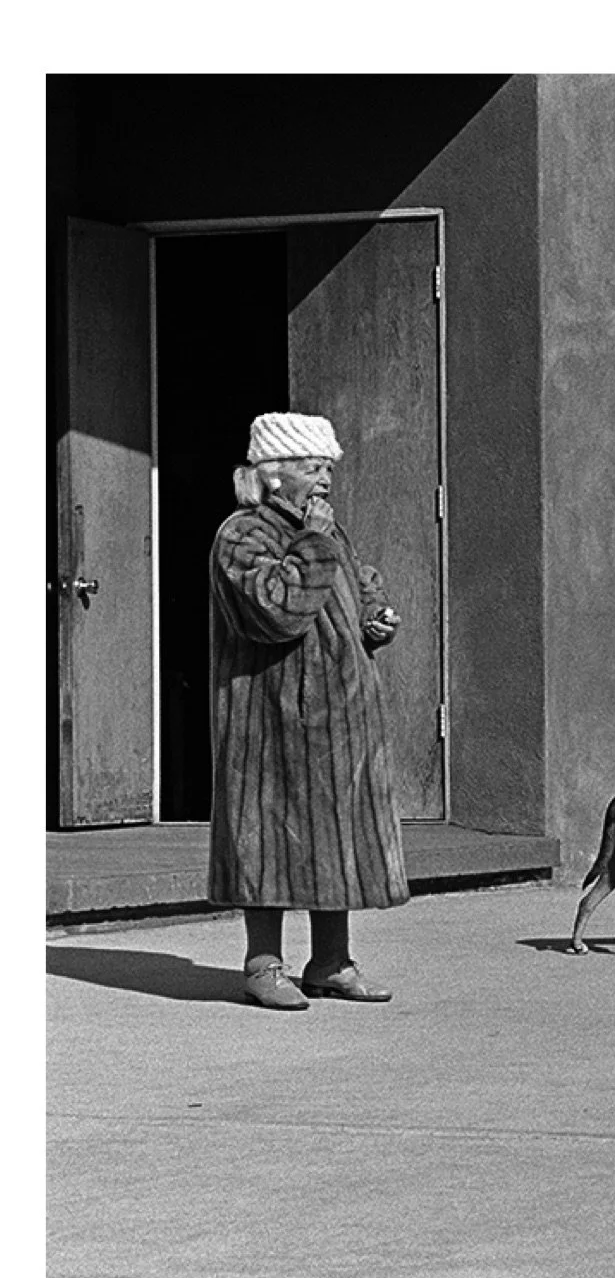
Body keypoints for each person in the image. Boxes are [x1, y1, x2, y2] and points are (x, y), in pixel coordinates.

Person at [208, 412, 408, 1009]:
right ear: (273, 475)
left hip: (339, 717)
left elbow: (351, 593)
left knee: (336, 834)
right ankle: (263, 965)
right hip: (269, 718)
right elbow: (278, 610)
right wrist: (315, 544)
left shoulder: (326, 529)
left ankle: (331, 963)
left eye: (327, 469)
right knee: (265, 834)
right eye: (313, 468)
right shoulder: (242, 535)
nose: (325, 480)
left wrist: (372, 619)